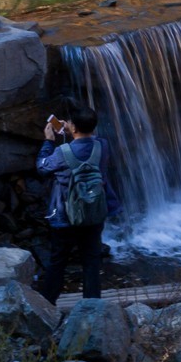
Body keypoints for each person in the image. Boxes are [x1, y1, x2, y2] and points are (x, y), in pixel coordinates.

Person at [36, 103, 121, 304]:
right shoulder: (103, 146)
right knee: (91, 261)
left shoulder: (62, 153)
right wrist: (75, 128)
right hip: (94, 212)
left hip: (65, 216)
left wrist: (49, 141)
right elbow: (89, 140)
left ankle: (46, 306)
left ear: (72, 127)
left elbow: (42, 167)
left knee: (58, 262)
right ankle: (92, 308)